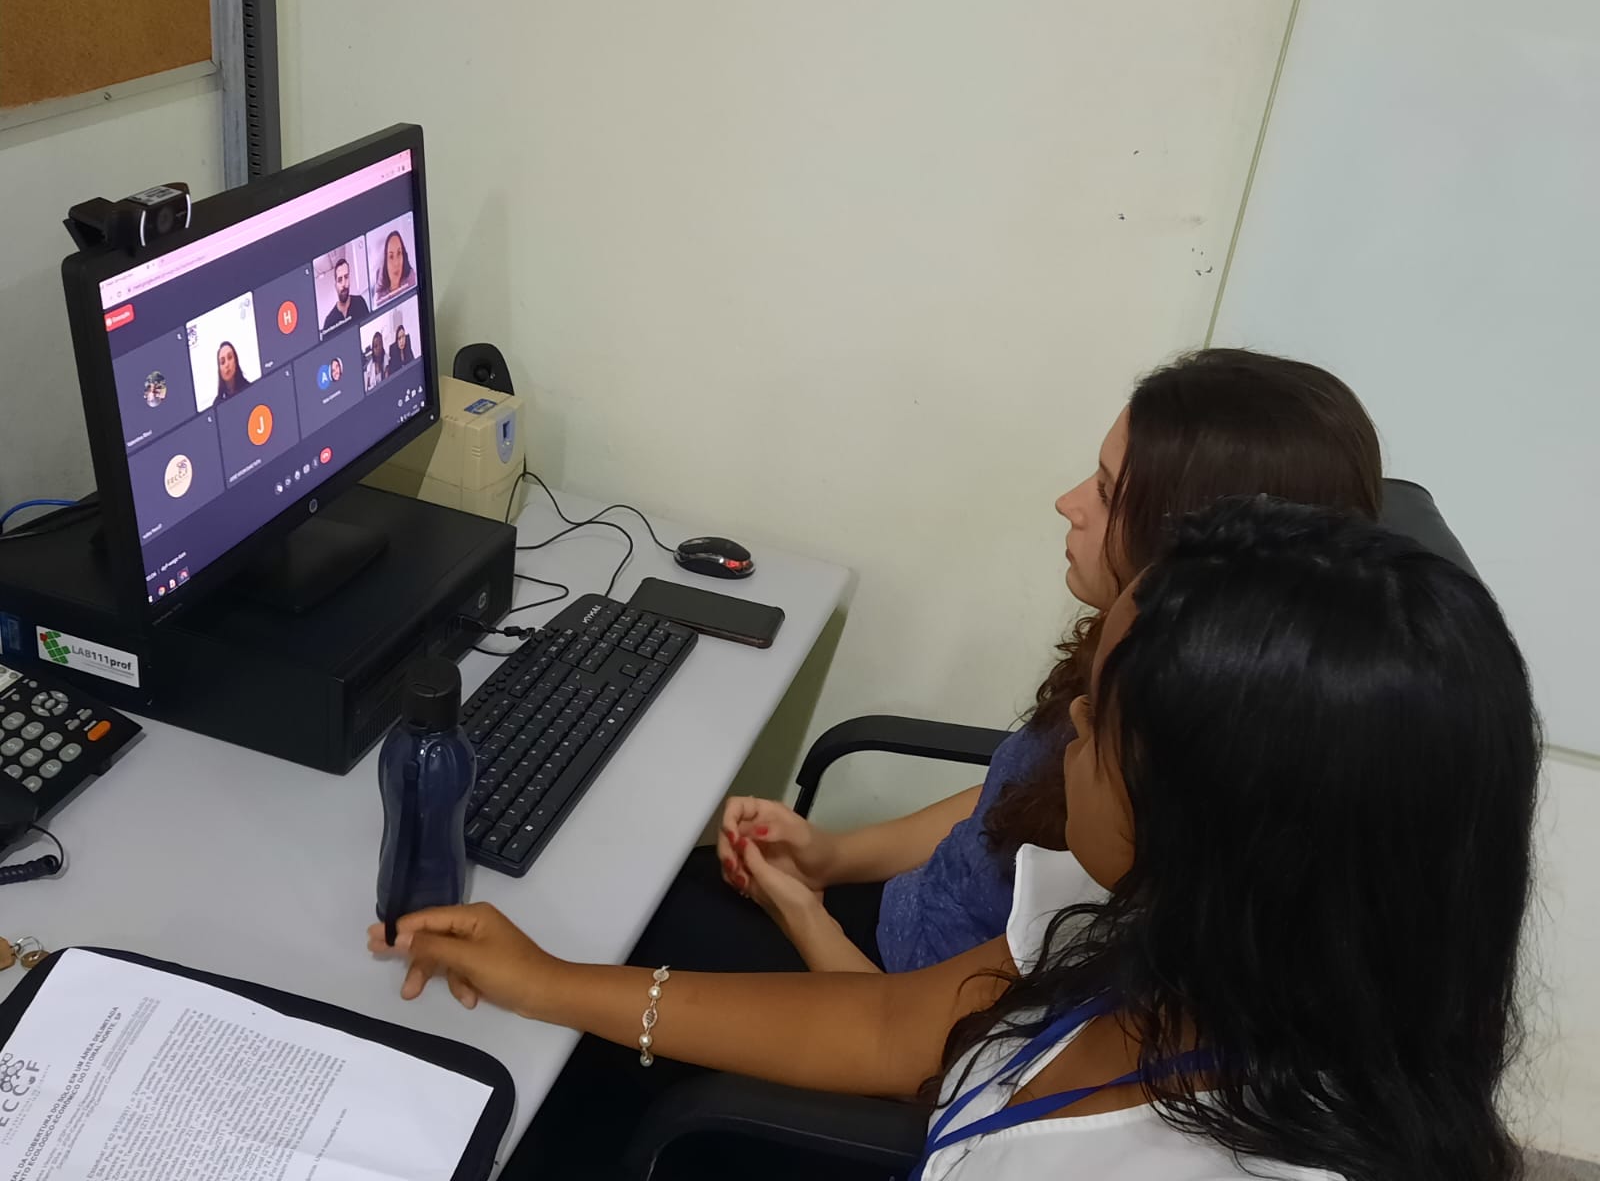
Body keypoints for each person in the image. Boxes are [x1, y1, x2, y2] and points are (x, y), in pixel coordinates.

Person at [372, 497, 1538, 1181]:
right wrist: (552, 982)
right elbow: (896, 1021)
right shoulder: (1173, 944)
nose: (1068, 723)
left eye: (1104, 719)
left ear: (1223, 823)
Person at [518, 348, 1387, 1177]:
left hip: (896, 1006)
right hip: (904, 958)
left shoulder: (1148, 870)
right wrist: (831, 856)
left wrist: (801, 913)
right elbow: (1008, 801)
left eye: (1109, 491)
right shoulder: (1135, 745)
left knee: (595, 975)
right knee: (637, 902)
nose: (1067, 502)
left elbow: (916, 1047)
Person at [322, 258, 369, 330]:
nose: (344, 284)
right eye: (340, 280)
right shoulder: (329, 322)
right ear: (335, 285)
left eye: (346, 277)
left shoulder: (360, 302)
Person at [374, 230, 415, 302]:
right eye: (391, 256)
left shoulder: (411, 278)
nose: (396, 263)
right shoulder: (379, 298)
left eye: (399, 253)